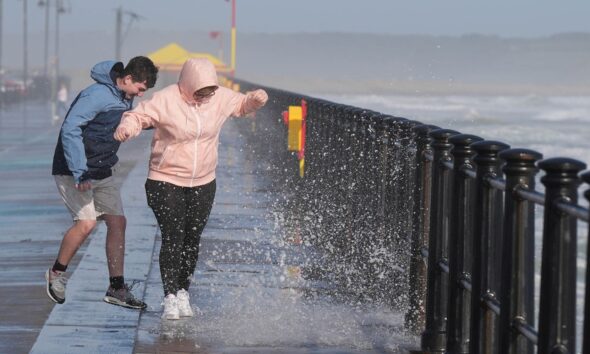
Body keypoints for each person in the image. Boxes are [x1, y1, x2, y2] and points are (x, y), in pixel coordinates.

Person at [114, 58, 268, 320]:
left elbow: (240, 105)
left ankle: (184, 291)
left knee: (191, 239)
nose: (206, 96)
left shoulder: (218, 97)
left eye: (210, 90)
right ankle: (170, 297)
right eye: (201, 91)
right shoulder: (166, 99)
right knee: (173, 237)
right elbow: (138, 115)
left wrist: (255, 100)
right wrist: (127, 127)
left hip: (203, 182)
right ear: (188, 84)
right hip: (166, 180)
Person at [46, 56, 159, 309]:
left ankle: (116, 288)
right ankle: (56, 274)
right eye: (140, 89)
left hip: (103, 169)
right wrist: (79, 171)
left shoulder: (124, 96)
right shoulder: (96, 95)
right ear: (128, 79)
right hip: (74, 170)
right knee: (85, 224)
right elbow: (70, 129)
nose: (140, 95)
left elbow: (125, 120)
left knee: (117, 222)